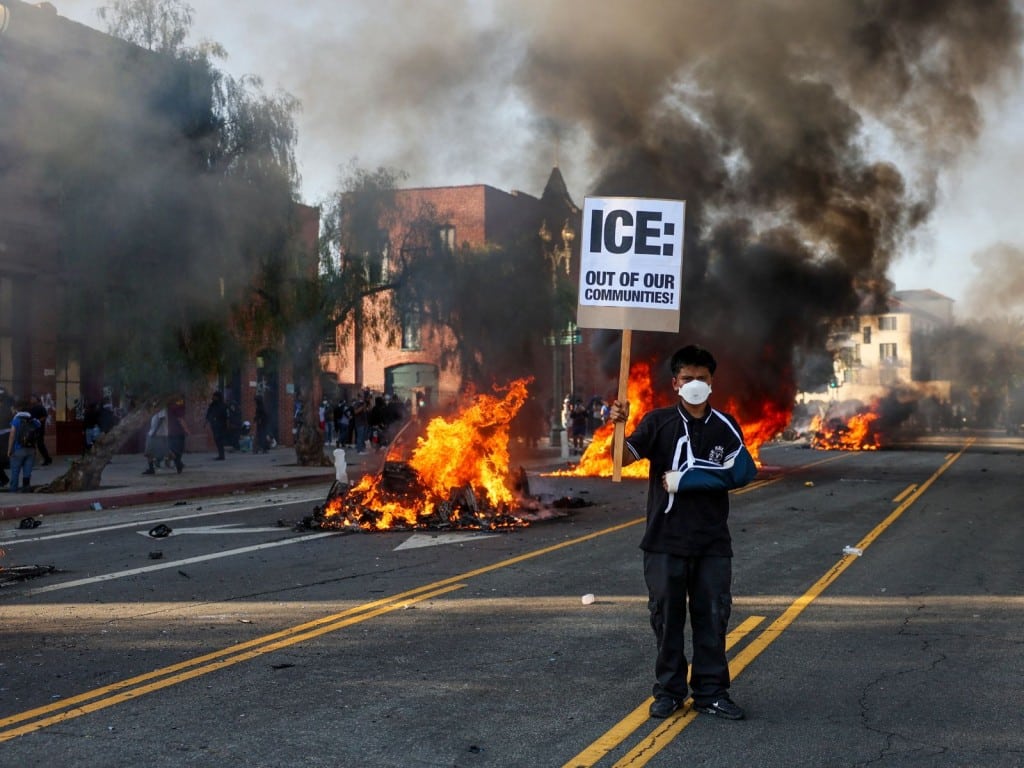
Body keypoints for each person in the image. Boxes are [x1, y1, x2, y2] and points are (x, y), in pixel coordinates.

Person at [608, 344, 757, 721]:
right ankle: (669, 691)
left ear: (712, 383)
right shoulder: (658, 423)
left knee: (713, 617)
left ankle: (711, 693)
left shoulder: (726, 426)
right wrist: (618, 424)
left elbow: (741, 474)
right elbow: (621, 459)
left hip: (711, 542)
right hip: (663, 541)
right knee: (666, 619)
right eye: (687, 378)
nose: (694, 384)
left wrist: (687, 479)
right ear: (675, 383)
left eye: (702, 379)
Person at [7, 399, 41, 493]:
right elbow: (37, 434)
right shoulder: (33, 420)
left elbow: (12, 435)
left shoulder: (16, 419)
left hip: (18, 450)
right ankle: (26, 489)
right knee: (27, 471)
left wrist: (9, 450)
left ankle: (13, 490)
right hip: (31, 450)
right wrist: (36, 450)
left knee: (15, 471)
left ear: (17, 409)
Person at [167, 394, 189, 473]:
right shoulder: (178, 407)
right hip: (178, 431)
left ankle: (178, 464)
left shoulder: (170, 406)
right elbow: (180, 419)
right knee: (178, 450)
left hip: (171, 431)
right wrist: (186, 430)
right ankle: (178, 464)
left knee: (175, 449)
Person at [142, 408, 169, 474]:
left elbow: (161, 419)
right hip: (155, 433)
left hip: (158, 434)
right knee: (152, 452)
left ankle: (155, 464)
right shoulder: (156, 408)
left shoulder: (161, 408)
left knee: (150, 452)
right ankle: (152, 467)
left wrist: (155, 431)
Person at [28, 394, 53, 466]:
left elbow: (45, 416)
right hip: (32, 429)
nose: (31, 399)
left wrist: (37, 421)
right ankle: (33, 460)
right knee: (32, 444)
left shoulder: (40, 407)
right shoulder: (32, 408)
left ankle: (47, 459)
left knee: (40, 445)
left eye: (33, 398)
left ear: (37, 399)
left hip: (39, 429)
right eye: (31, 398)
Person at [205, 391, 228, 460]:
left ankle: (222, 455)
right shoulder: (212, 405)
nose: (213, 398)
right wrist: (206, 421)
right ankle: (221, 455)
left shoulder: (223, 405)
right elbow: (209, 413)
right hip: (214, 425)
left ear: (217, 397)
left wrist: (227, 424)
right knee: (217, 440)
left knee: (219, 440)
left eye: (214, 396)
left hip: (221, 425)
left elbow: (226, 416)